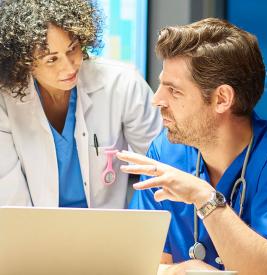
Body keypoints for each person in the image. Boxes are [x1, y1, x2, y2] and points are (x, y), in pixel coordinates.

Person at [117, 18, 267, 274]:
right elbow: (139, 264)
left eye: (173, 90)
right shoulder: (165, 155)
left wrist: (205, 198)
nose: (157, 100)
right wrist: (178, 271)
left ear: (222, 99)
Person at [0, 0, 161, 208]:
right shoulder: (5, 100)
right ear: (23, 61)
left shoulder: (121, 84)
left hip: (109, 232)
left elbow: (163, 169)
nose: (68, 67)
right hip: (33, 232)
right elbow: (10, 199)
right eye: (51, 59)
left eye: (72, 49)